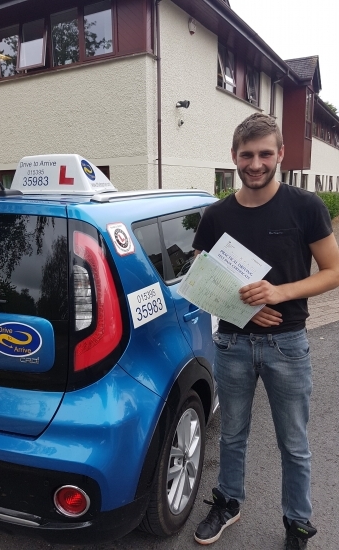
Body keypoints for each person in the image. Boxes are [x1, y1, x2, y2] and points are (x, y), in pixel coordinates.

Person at [192, 112, 339, 549]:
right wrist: (244, 308)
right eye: (246, 155)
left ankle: (297, 524)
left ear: (280, 155)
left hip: (287, 343)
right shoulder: (216, 215)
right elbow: (200, 281)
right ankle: (228, 503)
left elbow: (332, 272)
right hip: (233, 343)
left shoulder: (305, 206)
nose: (255, 163)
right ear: (234, 157)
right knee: (233, 434)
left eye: (264, 154)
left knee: (294, 443)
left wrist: (278, 293)